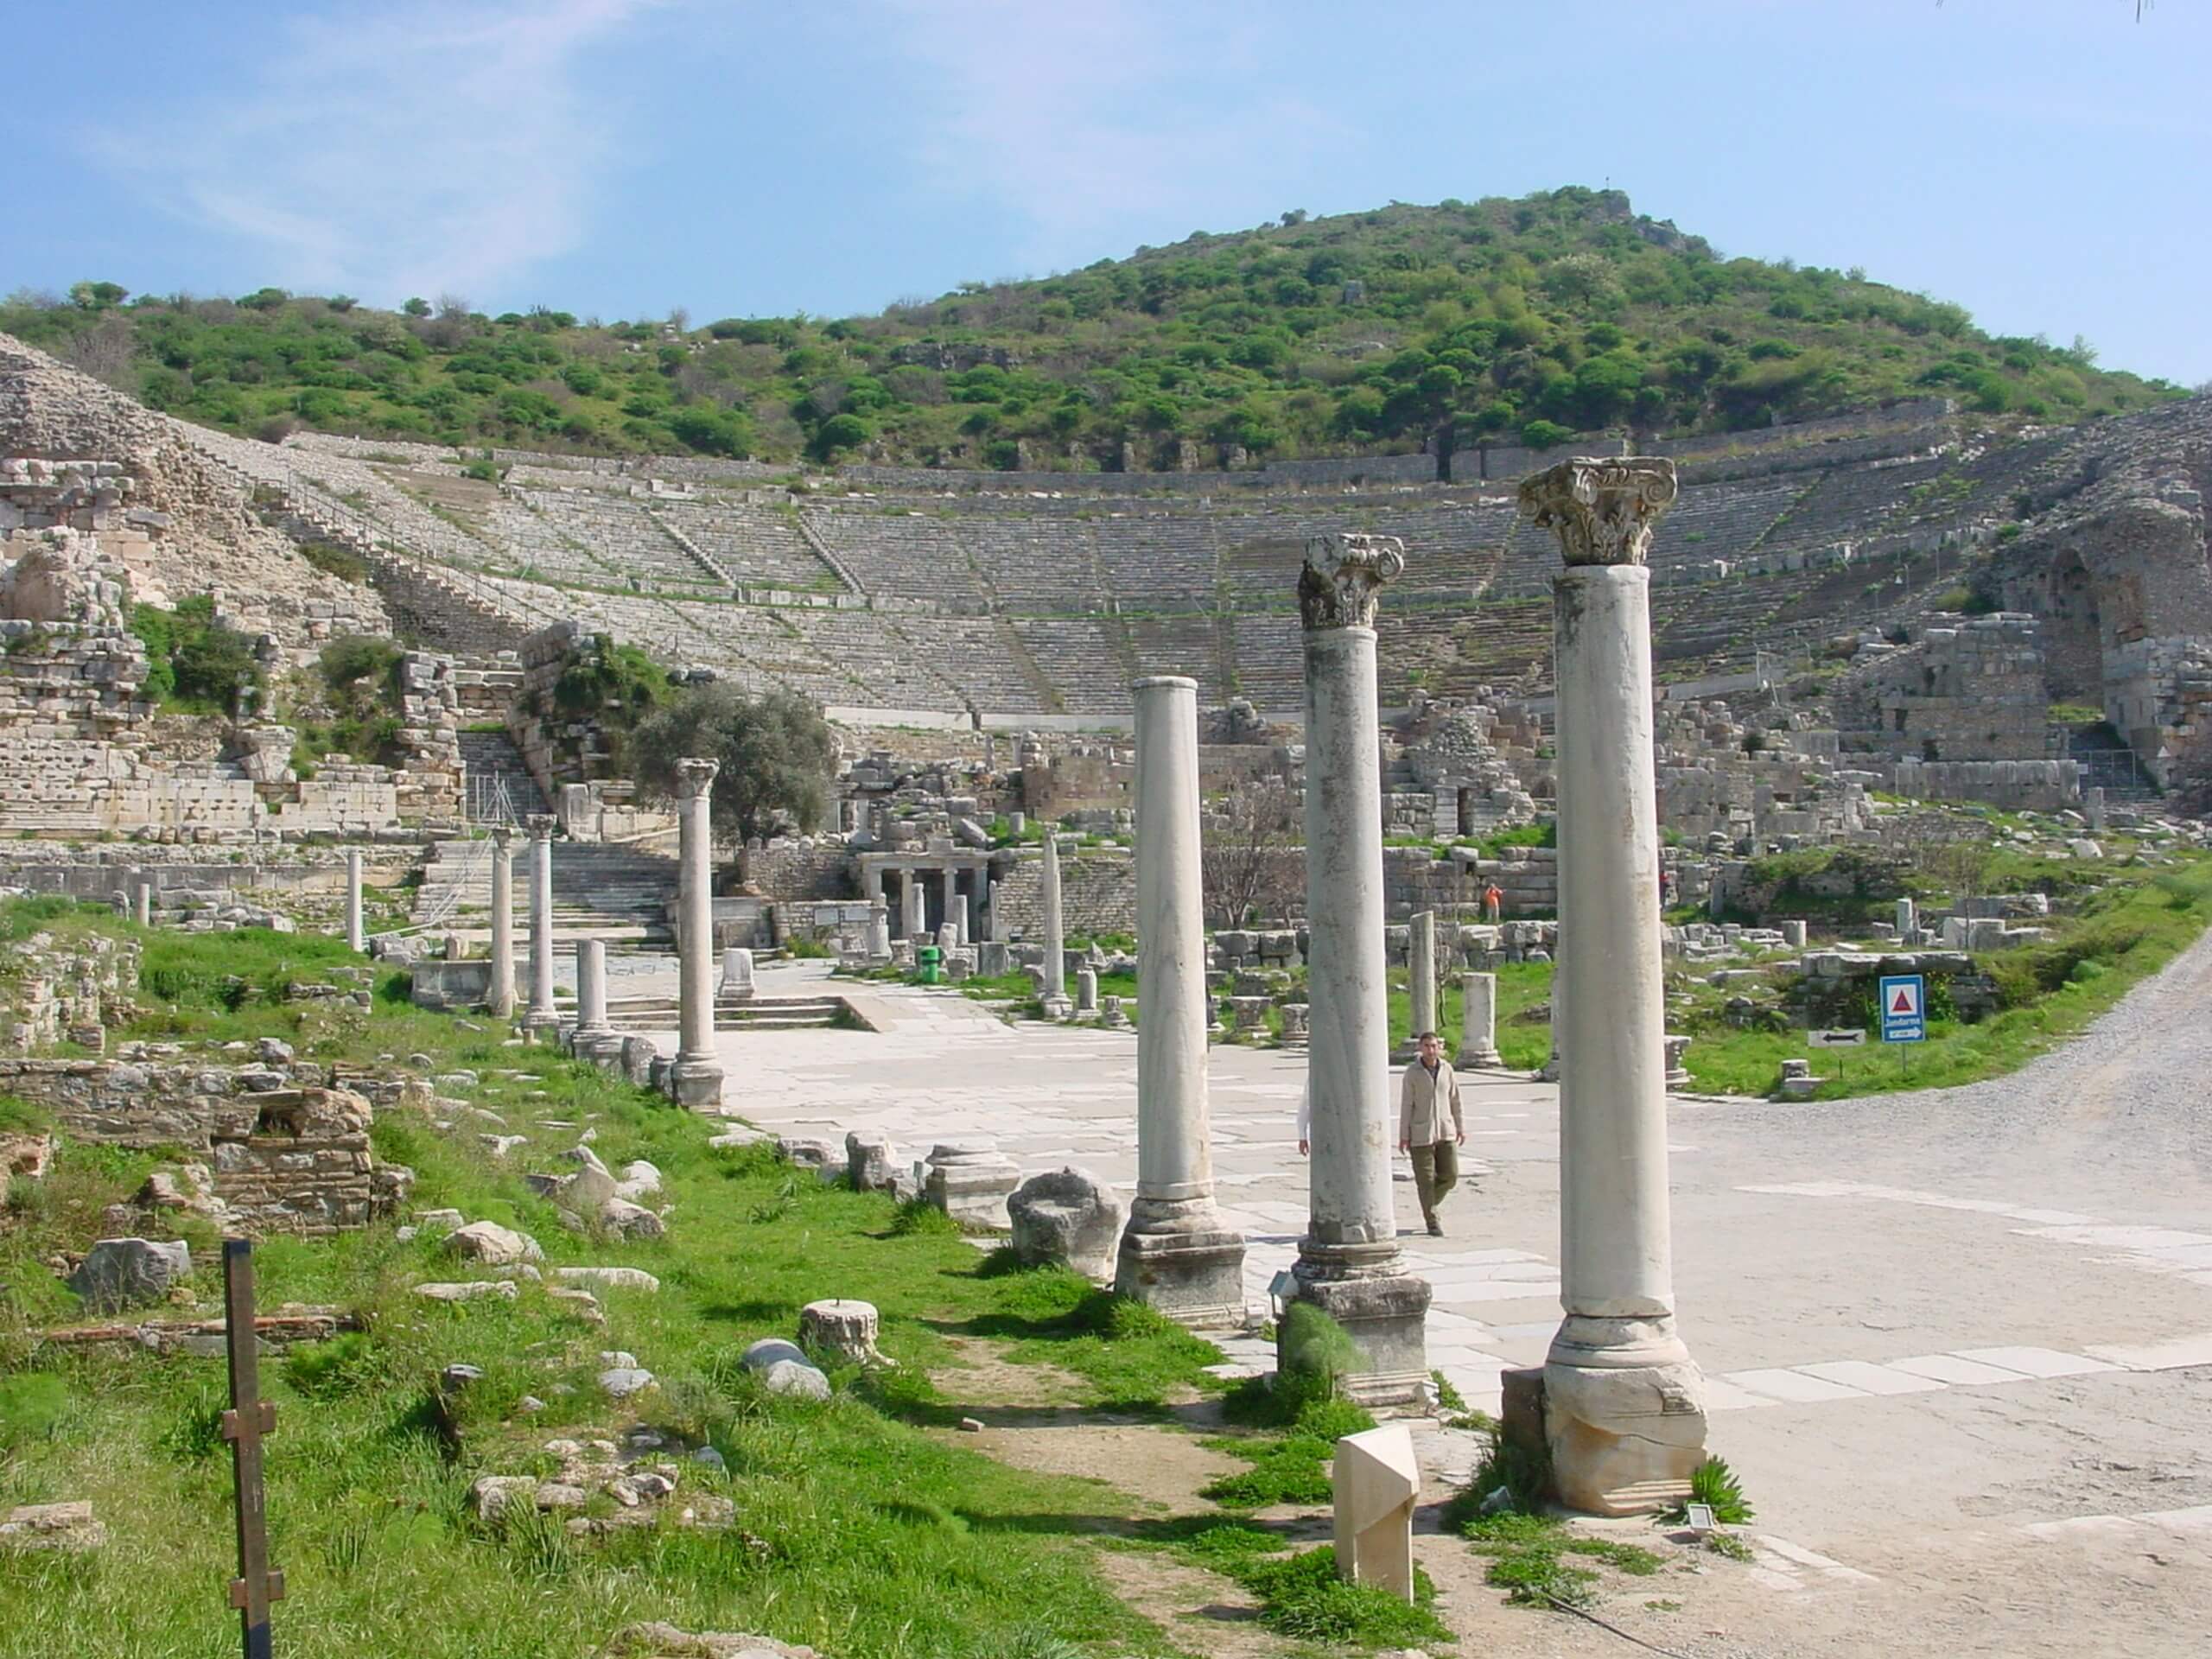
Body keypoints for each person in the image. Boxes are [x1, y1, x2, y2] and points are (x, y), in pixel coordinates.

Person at [1397, 1030, 1465, 1236]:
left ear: (1440, 1048)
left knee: (1450, 1175)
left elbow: (1455, 1099)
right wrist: (1404, 1135)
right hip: (1421, 1132)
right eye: (1427, 1046)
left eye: (1434, 1046)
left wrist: (1460, 1126)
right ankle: (1432, 1220)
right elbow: (1406, 1104)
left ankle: (1429, 1203)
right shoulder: (1412, 1073)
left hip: (1445, 1130)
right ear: (1420, 1048)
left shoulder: (1447, 1069)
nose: (1431, 1050)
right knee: (1425, 1179)